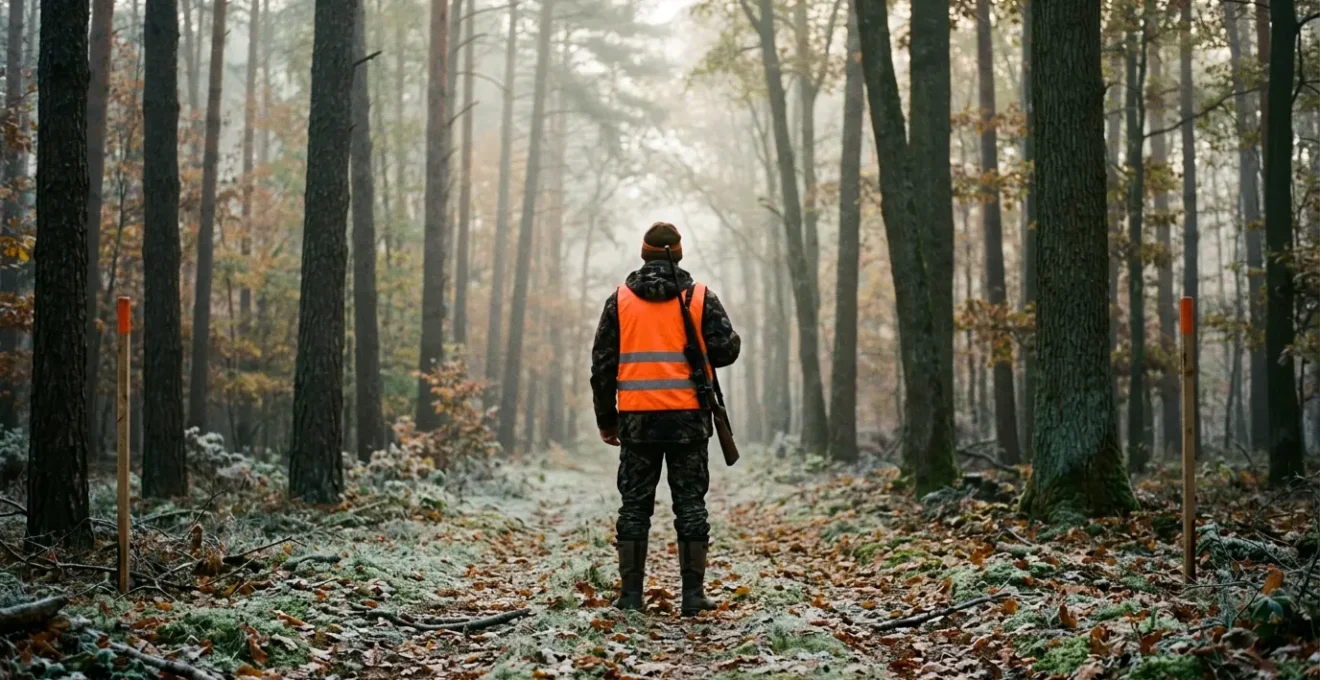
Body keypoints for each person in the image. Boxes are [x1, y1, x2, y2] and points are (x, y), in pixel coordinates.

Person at [590, 222, 741, 617]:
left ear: (644, 254)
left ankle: (630, 598)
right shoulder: (700, 298)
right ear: (679, 253)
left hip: (637, 423)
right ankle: (692, 597)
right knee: (690, 505)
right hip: (688, 421)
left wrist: (607, 420)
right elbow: (726, 351)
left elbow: (602, 367)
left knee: (634, 507)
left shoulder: (619, 300)